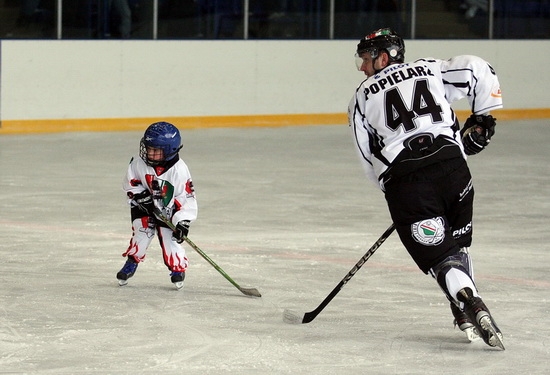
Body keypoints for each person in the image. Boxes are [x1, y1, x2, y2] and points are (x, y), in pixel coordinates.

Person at [348, 28, 504, 349]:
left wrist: (399, 195)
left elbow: (368, 159)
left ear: (383, 56)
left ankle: (471, 303)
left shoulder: (361, 98)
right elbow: (478, 67)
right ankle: (461, 306)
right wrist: (483, 119)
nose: (362, 67)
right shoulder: (431, 68)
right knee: (457, 247)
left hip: (406, 181)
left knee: (442, 258)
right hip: (454, 171)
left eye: (366, 59)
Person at [117, 121, 198, 290]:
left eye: (155, 150)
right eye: (148, 148)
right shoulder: (139, 163)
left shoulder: (179, 170)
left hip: (167, 210)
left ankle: (177, 268)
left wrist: (183, 221)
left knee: (170, 239)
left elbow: (187, 198)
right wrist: (141, 196)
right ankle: (132, 261)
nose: (148, 152)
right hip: (144, 206)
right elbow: (130, 182)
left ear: (169, 150)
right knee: (142, 232)